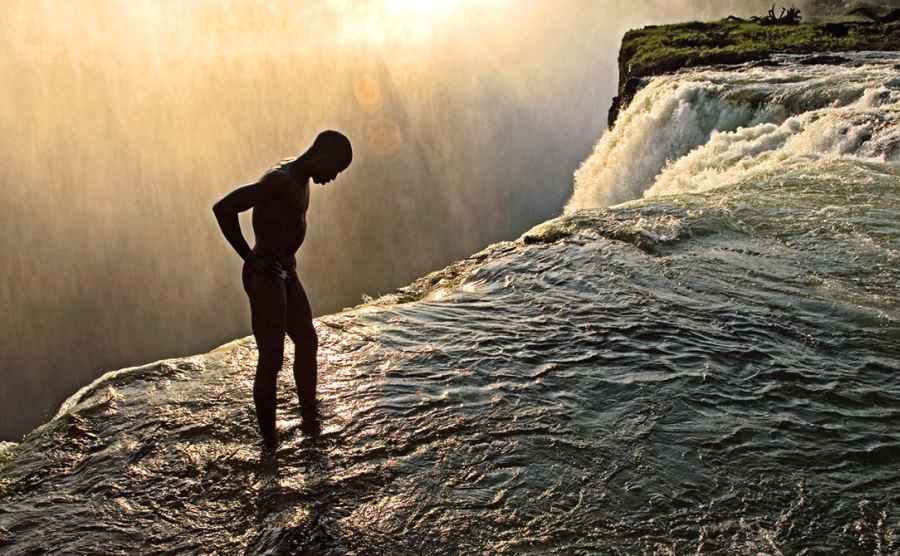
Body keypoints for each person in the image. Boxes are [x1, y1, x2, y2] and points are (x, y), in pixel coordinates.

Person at [213, 130, 352, 449]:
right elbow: (224, 207)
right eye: (334, 170)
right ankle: (269, 443)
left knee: (307, 340)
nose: (332, 179)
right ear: (321, 155)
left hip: (286, 270)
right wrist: (249, 256)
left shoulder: (299, 177)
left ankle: (308, 418)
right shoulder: (281, 180)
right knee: (272, 358)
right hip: (266, 274)